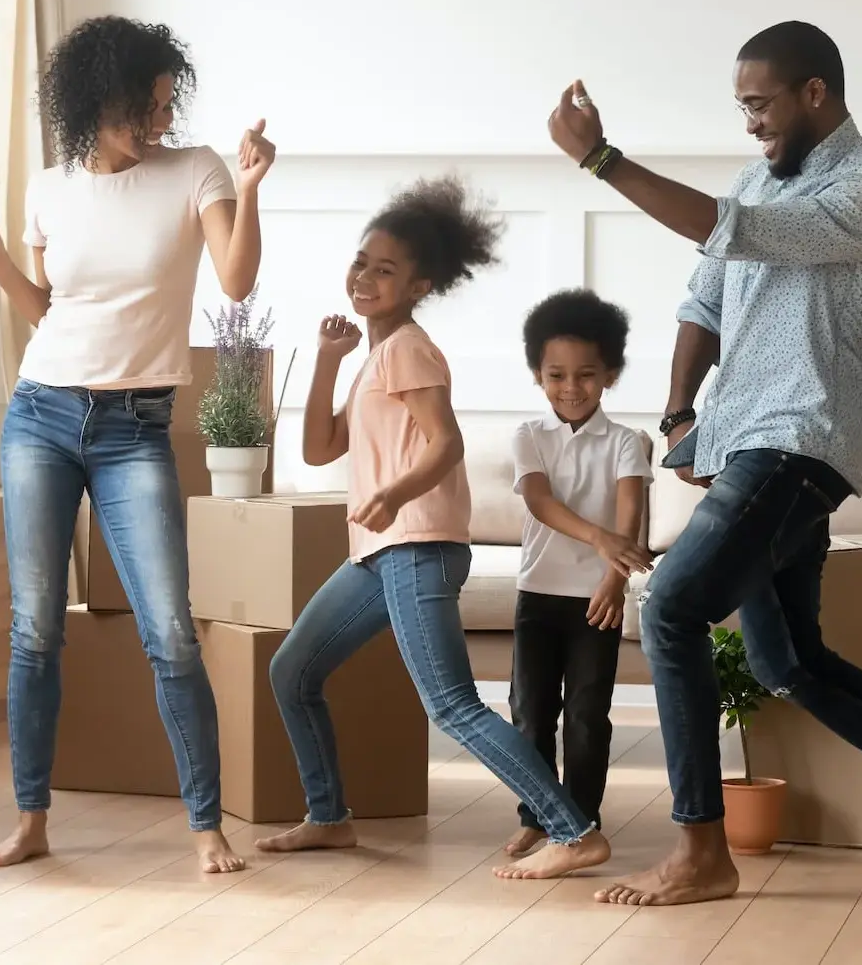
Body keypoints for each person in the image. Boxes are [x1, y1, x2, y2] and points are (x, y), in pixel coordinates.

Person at [545, 20, 862, 907]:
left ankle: (698, 849)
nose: (748, 123)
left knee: (674, 607)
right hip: (743, 440)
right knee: (786, 659)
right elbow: (703, 299)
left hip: (801, 440)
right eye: (739, 106)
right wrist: (684, 414)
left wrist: (600, 159)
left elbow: (732, 230)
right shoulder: (758, 176)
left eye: (758, 104)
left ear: (814, 94)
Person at [0, 15, 275, 873]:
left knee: (170, 631)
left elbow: (238, 282)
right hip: (40, 416)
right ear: (93, 102)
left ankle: (205, 824)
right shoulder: (50, 187)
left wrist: (248, 189)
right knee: (34, 631)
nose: (159, 123)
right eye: (143, 108)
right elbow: (51, 311)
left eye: (165, 105)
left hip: (135, 429)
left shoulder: (196, 169)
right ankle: (32, 818)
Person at [253, 177, 612, 881]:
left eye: (385, 269)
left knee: (451, 706)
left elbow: (444, 444)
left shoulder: (409, 348)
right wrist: (328, 358)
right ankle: (328, 816)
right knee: (292, 670)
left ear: (419, 284)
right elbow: (320, 448)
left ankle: (574, 829)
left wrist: (391, 492)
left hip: (414, 545)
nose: (364, 276)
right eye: (361, 261)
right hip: (381, 553)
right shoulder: (376, 357)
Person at [503, 289, 653, 858]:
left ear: (609, 374)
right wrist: (600, 539)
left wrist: (614, 580)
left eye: (586, 375)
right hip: (538, 594)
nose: (571, 388)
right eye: (556, 374)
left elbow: (630, 513)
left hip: (598, 597)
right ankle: (537, 818)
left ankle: (581, 823)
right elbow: (540, 503)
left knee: (589, 715)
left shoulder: (625, 442)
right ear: (537, 374)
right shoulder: (529, 436)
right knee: (531, 714)